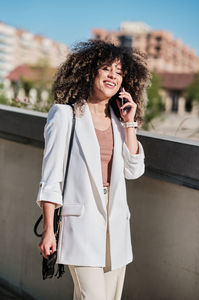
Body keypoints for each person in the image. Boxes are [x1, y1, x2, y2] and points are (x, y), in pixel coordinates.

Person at [36, 40, 150, 300]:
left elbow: (134, 172)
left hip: (116, 222)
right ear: (89, 71)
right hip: (80, 223)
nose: (113, 76)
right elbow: (51, 177)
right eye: (106, 68)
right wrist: (48, 230)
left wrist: (130, 123)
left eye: (119, 72)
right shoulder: (65, 115)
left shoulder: (121, 122)